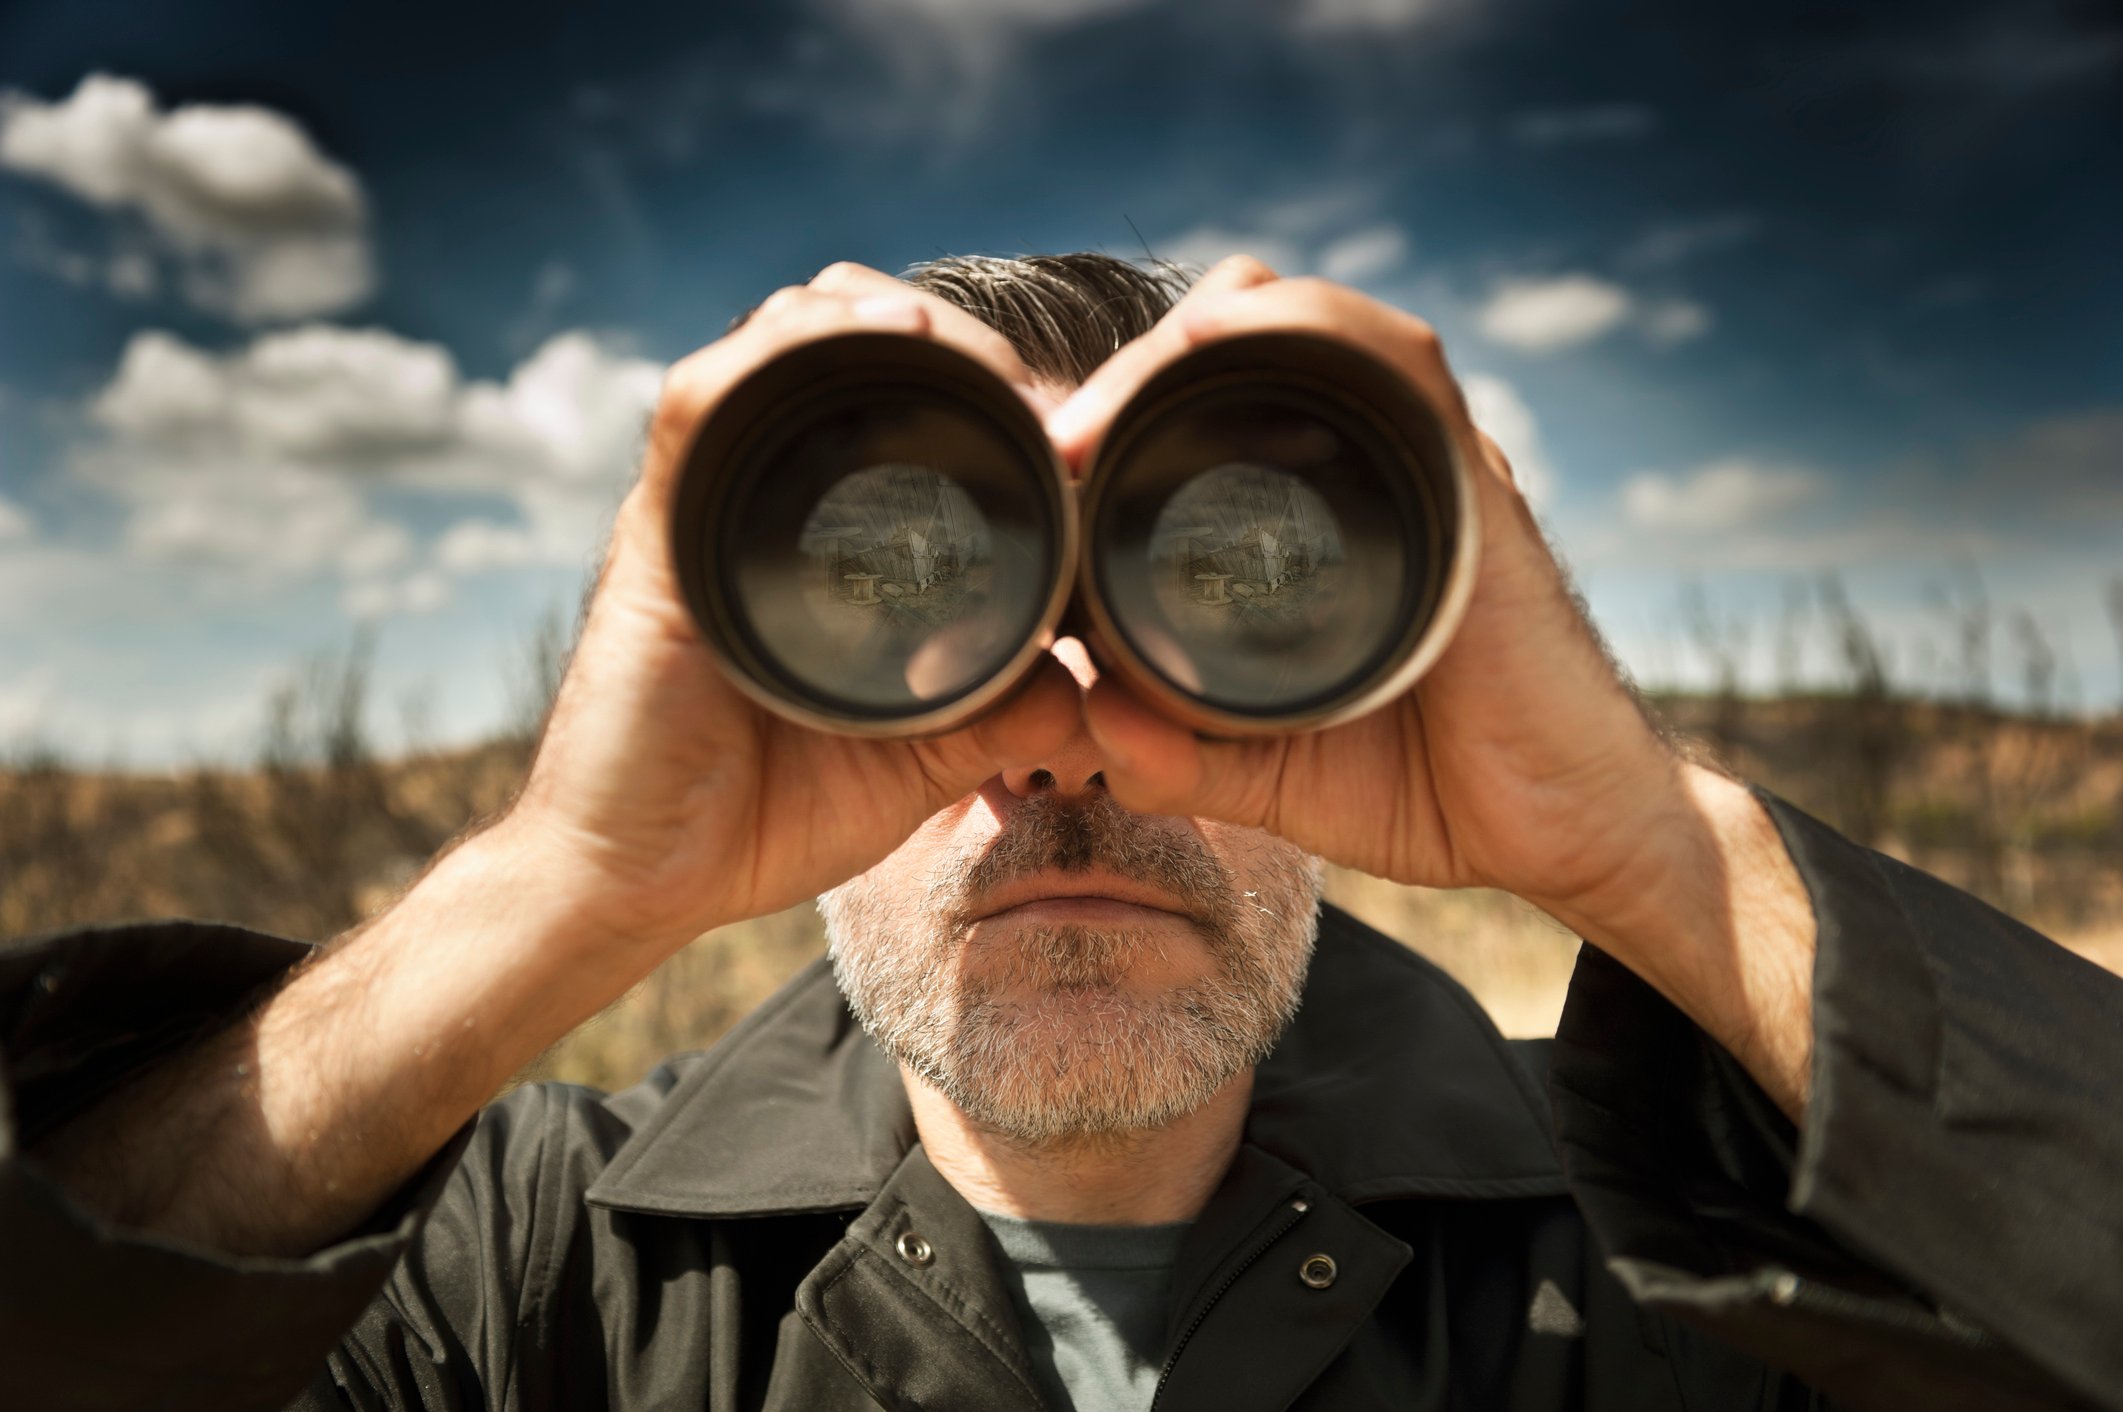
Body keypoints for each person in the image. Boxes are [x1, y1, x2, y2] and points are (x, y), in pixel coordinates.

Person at [1, 254, 2117, 1412]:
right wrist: (560, 885)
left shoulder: (1672, 1254)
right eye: (902, 611)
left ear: (1367, 671)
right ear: (753, 671)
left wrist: (1642, 842)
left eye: (1228, 603)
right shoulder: (527, 1267)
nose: (1066, 754)